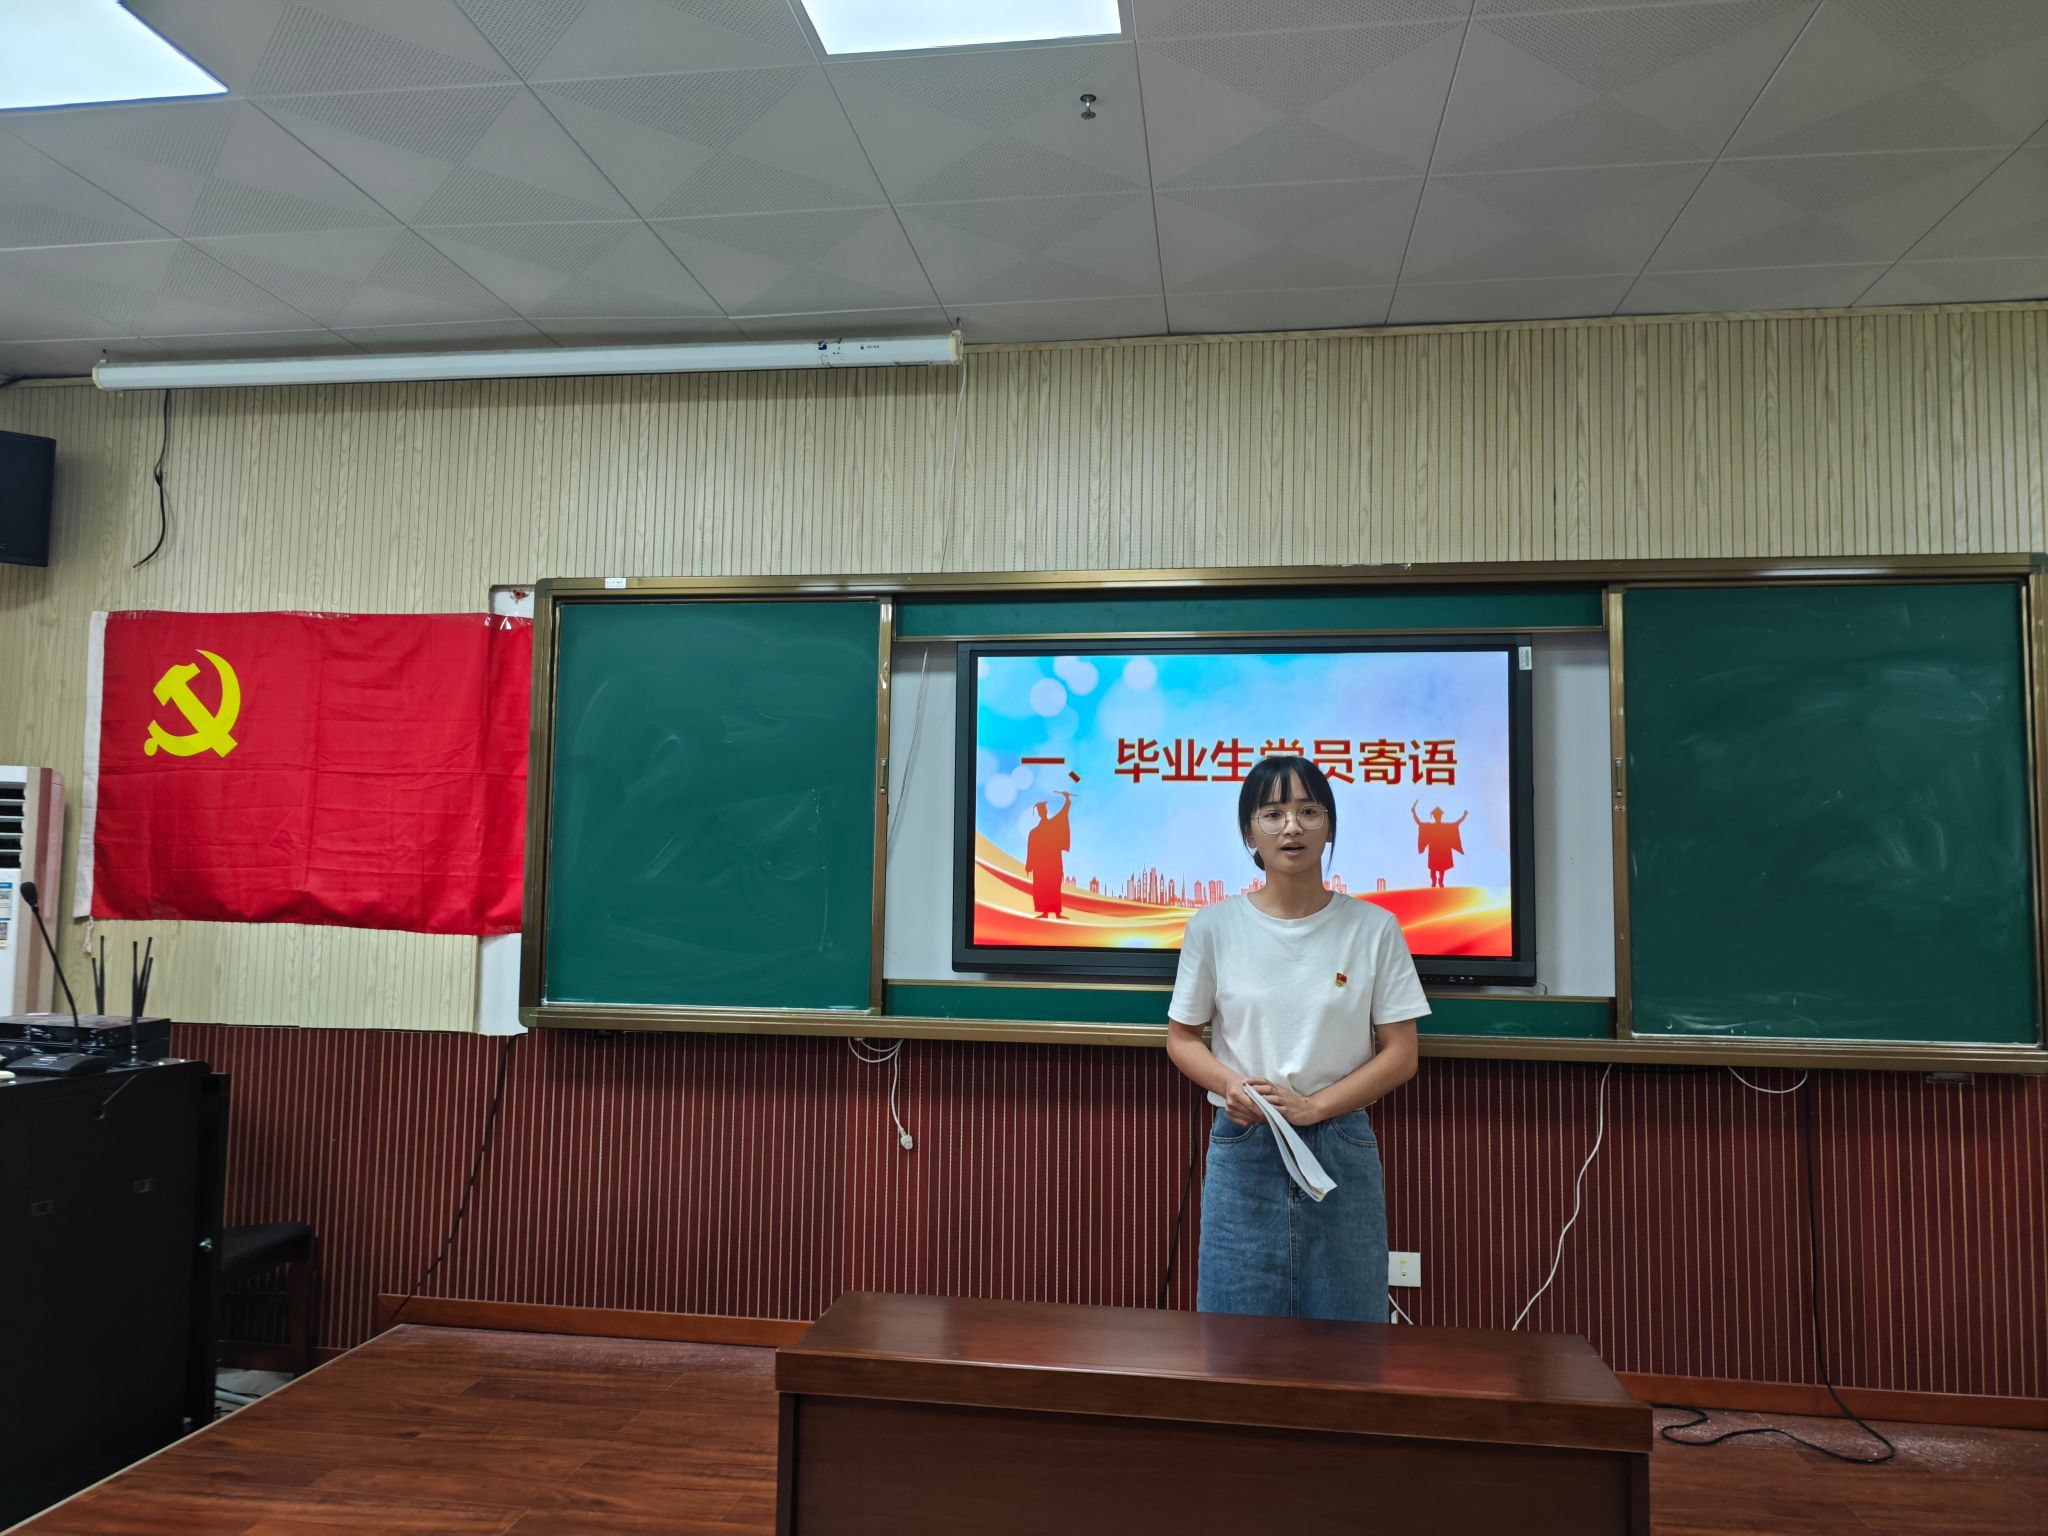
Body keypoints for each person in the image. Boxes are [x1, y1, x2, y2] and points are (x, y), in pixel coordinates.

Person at [1165, 756, 1427, 1323]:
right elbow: (1182, 1038)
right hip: (1245, 1138)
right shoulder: (1213, 926)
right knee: (1233, 1332)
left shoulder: (1374, 927)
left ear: (1329, 827)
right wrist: (1233, 1086)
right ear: (1249, 833)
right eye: (1274, 813)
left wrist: (1313, 1108)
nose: (1292, 827)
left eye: (1309, 811)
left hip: (1340, 1138)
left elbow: (1402, 1053)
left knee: (1349, 1332)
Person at [1024, 791, 1073, 918]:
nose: (1044, 811)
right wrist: (1029, 865)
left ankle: (1057, 913)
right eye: (1042, 810)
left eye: (1044, 809)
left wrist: (1067, 800)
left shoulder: (1053, 825)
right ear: (1039, 813)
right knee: (1042, 887)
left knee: (1054, 887)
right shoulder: (1034, 832)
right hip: (1041, 865)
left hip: (1054, 863)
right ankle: (1045, 912)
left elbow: (1063, 813)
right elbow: (1031, 849)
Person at [1412, 800, 1468, 888]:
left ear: (1440, 816)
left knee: (1441, 866)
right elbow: (1419, 823)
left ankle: (1440, 881)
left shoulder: (1443, 827)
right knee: (1434, 867)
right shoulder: (1432, 827)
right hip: (1435, 850)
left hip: (1442, 849)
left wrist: (1464, 815)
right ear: (1435, 817)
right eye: (1436, 816)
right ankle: (1434, 881)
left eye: (1438, 815)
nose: (1437, 817)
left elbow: (1457, 824)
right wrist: (1414, 812)